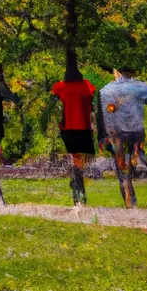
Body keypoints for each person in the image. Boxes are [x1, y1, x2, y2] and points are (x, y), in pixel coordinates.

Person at [98, 68, 147, 208]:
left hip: (117, 133)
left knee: (122, 169)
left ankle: (129, 200)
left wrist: (102, 137)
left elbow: (103, 114)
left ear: (117, 72)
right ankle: (137, 157)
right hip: (135, 132)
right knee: (128, 165)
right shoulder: (139, 86)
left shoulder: (106, 90)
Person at [51, 67, 97, 205]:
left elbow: (55, 93)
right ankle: (79, 193)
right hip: (84, 129)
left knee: (75, 160)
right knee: (80, 161)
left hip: (69, 129)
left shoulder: (62, 87)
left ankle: (78, 193)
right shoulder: (86, 86)